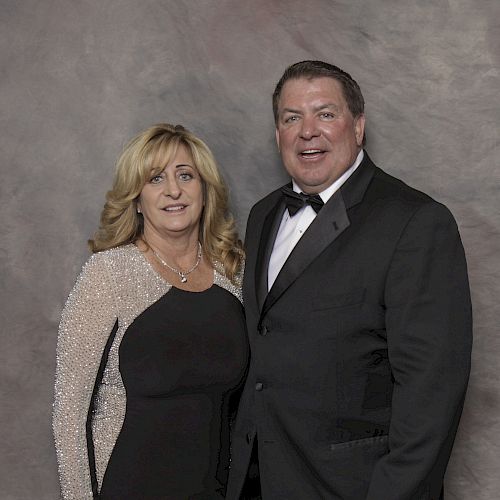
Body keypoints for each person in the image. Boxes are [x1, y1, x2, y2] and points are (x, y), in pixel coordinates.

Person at [226, 61, 472, 500]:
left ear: (358, 126)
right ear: (277, 132)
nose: (307, 131)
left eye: (325, 113)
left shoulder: (415, 223)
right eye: (291, 117)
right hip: (257, 482)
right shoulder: (263, 215)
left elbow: (431, 398)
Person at [53, 123, 248, 499]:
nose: (173, 190)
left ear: (205, 190)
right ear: (137, 198)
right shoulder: (109, 273)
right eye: (155, 178)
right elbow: (69, 414)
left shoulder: (233, 274)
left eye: (185, 176)